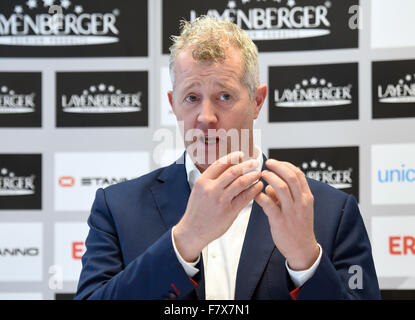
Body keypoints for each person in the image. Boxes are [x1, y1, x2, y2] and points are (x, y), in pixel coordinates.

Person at [75, 16, 380, 300]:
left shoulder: (331, 211)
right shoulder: (116, 208)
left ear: (257, 101)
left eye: (224, 96)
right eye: (191, 97)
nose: (206, 117)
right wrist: (184, 242)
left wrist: (305, 260)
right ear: (173, 103)